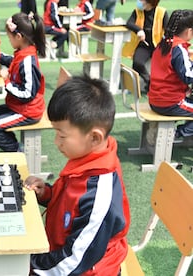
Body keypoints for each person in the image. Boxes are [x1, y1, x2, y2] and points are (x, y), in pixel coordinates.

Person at [26, 75, 130, 275]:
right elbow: (71, 202)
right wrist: (47, 193)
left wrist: (30, 264)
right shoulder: (88, 158)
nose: (57, 142)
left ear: (94, 137)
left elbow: (74, 261)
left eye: (62, 135)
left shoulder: (99, 194)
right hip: (62, 254)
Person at [0, 12, 46, 152]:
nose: (9, 40)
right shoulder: (23, 51)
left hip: (28, 111)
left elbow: (27, 94)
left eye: (10, 37)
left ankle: (17, 151)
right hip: (18, 105)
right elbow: (13, 62)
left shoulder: (28, 61)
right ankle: (14, 145)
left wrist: (7, 81)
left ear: (19, 36)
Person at [148, 9, 193, 140]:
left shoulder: (164, 43)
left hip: (155, 99)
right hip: (170, 103)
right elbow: (188, 76)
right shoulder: (179, 49)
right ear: (189, 31)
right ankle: (175, 134)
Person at [123, 0, 168, 92]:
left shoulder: (162, 12)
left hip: (159, 46)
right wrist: (139, 30)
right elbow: (129, 23)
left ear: (150, 2)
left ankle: (161, 86)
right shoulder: (137, 11)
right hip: (144, 46)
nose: (138, 1)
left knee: (166, 66)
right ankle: (150, 83)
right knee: (137, 63)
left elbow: (168, 30)